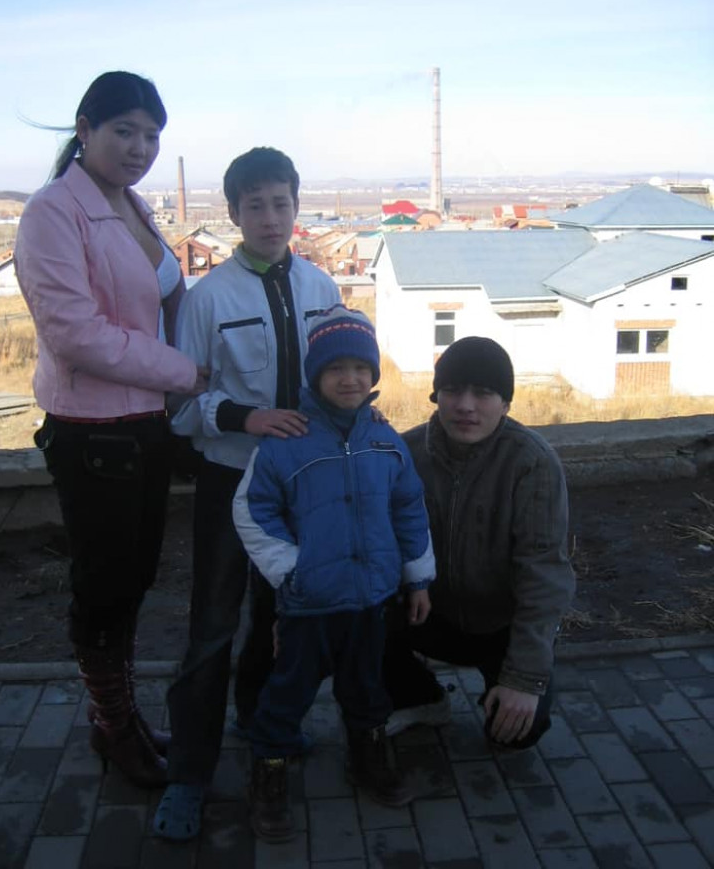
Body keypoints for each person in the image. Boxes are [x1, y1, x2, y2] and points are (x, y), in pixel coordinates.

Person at [14, 71, 207, 788]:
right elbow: (76, 334)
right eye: (124, 130)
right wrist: (185, 372)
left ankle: (120, 716)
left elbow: (158, 300)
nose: (140, 148)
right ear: (85, 128)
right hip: (95, 432)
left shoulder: (130, 204)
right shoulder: (51, 213)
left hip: (145, 423)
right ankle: (113, 727)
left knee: (134, 580)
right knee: (104, 587)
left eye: (152, 135)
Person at [153, 147, 340, 841]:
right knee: (212, 626)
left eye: (280, 203)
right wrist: (246, 418)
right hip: (230, 482)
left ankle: (262, 724)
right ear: (233, 213)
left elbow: (341, 376)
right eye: (254, 205)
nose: (270, 217)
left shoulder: (322, 287)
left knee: (278, 616)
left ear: (296, 206)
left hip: (299, 485)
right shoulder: (208, 299)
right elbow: (180, 406)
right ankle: (189, 774)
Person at [232, 306, 435, 842]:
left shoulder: (386, 441)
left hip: (370, 600)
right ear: (315, 375)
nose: (350, 379)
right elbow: (251, 509)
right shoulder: (286, 441)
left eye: (361, 368)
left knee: (367, 688)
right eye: (336, 368)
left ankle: (367, 756)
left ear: (374, 374)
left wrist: (417, 576)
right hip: (309, 603)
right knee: (288, 693)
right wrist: (289, 569)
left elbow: (409, 507)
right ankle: (268, 771)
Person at [381, 337, 575, 750]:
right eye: (452, 390)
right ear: (436, 396)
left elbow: (544, 574)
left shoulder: (532, 463)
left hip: (499, 626)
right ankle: (420, 697)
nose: (465, 406)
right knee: (357, 620)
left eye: (483, 393)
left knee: (519, 732)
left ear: (505, 403)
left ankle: (504, 686)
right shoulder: (403, 454)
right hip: (424, 613)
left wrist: (524, 678)